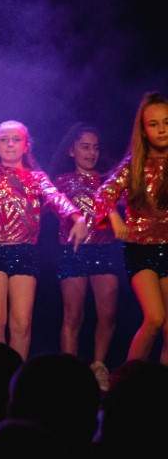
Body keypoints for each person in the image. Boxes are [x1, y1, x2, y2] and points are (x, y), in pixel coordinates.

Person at [0, 119, 87, 358]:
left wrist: (77, 217)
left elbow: (55, 197)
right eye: (4, 140)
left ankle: (16, 376)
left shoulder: (36, 176)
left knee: (21, 324)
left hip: (24, 252)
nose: (10, 144)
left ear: (26, 146)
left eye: (16, 140)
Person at [94, 92, 168, 364]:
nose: (162, 130)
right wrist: (114, 218)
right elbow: (103, 194)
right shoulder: (135, 164)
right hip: (140, 250)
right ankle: (126, 382)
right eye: (154, 124)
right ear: (144, 130)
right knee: (155, 318)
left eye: (167, 123)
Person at [51, 122, 120, 389]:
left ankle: (99, 366)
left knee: (108, 313)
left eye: (95, 148)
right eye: (85, 147)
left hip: (103, 249)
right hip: (73, 251)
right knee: (73, 315)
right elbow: (46, 205)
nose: (91, 153)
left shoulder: (108, 181)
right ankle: (69, 373)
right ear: (72, 150)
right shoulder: (60, 181)